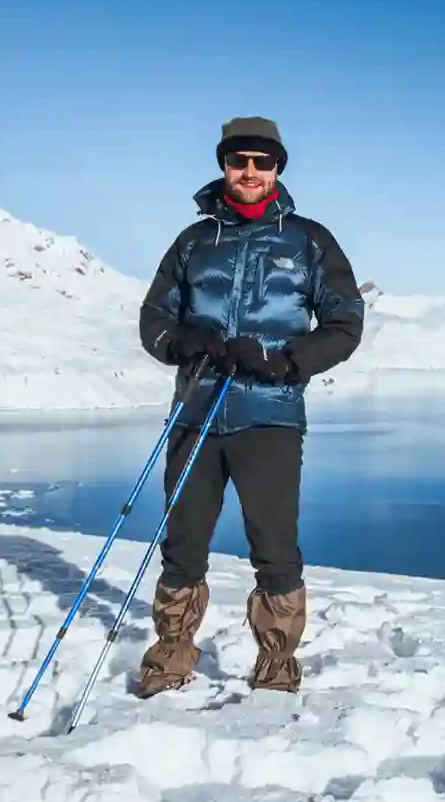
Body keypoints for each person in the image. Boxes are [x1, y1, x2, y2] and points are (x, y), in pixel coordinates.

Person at [133, 115, 365, 696]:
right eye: (240, 161)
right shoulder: (193, 243)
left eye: (263, 162)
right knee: (182, 543)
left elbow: (344, 323)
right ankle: (169, 660)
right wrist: (182, 343)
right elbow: (154, 320)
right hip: (196, 413)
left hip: (271, 416)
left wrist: (285, 360)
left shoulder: (309, 240)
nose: (251, 172)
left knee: (275, 547)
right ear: (224, 165)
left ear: (278, 168)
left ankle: (276, 665)